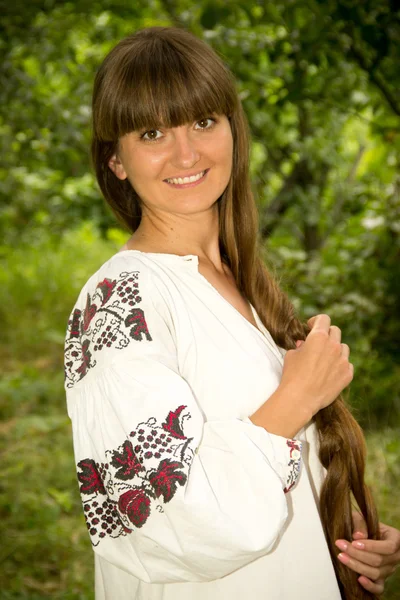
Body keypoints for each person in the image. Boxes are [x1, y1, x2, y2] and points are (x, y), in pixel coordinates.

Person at [64, 26, 400, 599]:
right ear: (116, 161)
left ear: (232, 130)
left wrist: (342, 540)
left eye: (202, 122)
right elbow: (162, 519)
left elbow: (278, 472)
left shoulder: (243, 283)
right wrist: (299, 396)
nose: (187, 153)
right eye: (152, 132)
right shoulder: (119, 304)